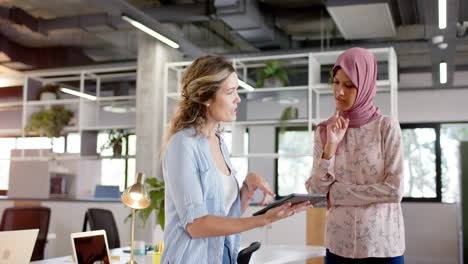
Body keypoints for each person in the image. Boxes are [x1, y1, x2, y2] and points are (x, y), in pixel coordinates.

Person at [161, 55, 312, 264]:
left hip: (223, 255)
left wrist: (246, 190)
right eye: (230, 92)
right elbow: (197, 226)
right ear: (204, 95)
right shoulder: (182, 145)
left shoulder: (220, 142)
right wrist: (262, 220)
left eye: (237, 91)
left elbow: (224, 215)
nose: (237, 99)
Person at [305, 47, 405, 264]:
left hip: (382, 246)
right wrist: (330, 146)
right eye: (336, 82)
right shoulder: (324, 131)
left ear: (367, 85)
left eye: (349, 85)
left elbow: (394, 190)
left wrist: (338, 194)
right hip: (338, 246)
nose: (339, 91)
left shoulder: (386, 127)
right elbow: (316, 194)